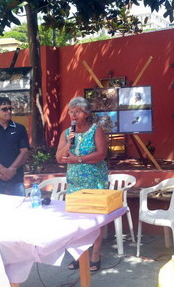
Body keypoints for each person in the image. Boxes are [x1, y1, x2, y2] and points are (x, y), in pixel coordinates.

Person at [56, 96, 108, 272]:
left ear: (86, 114)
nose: (73, 114)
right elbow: (59, 158)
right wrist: (68, 143)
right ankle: (79, 255)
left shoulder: (96, 130)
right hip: (75, 184)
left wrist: (78, 159)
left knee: (95, 220)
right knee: (77, 221)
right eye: (71, 111)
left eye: (77, 111)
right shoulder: (66, 133)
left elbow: (101, 154)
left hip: (95, 182)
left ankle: (95, 256)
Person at [0, 96, 29, 196]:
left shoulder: (19, 128)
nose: (8, 111)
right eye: (4, 109)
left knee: (19, 209)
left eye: (10, 108)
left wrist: (11, 171)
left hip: (16, 178)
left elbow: (24, 152)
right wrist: (4, 171)